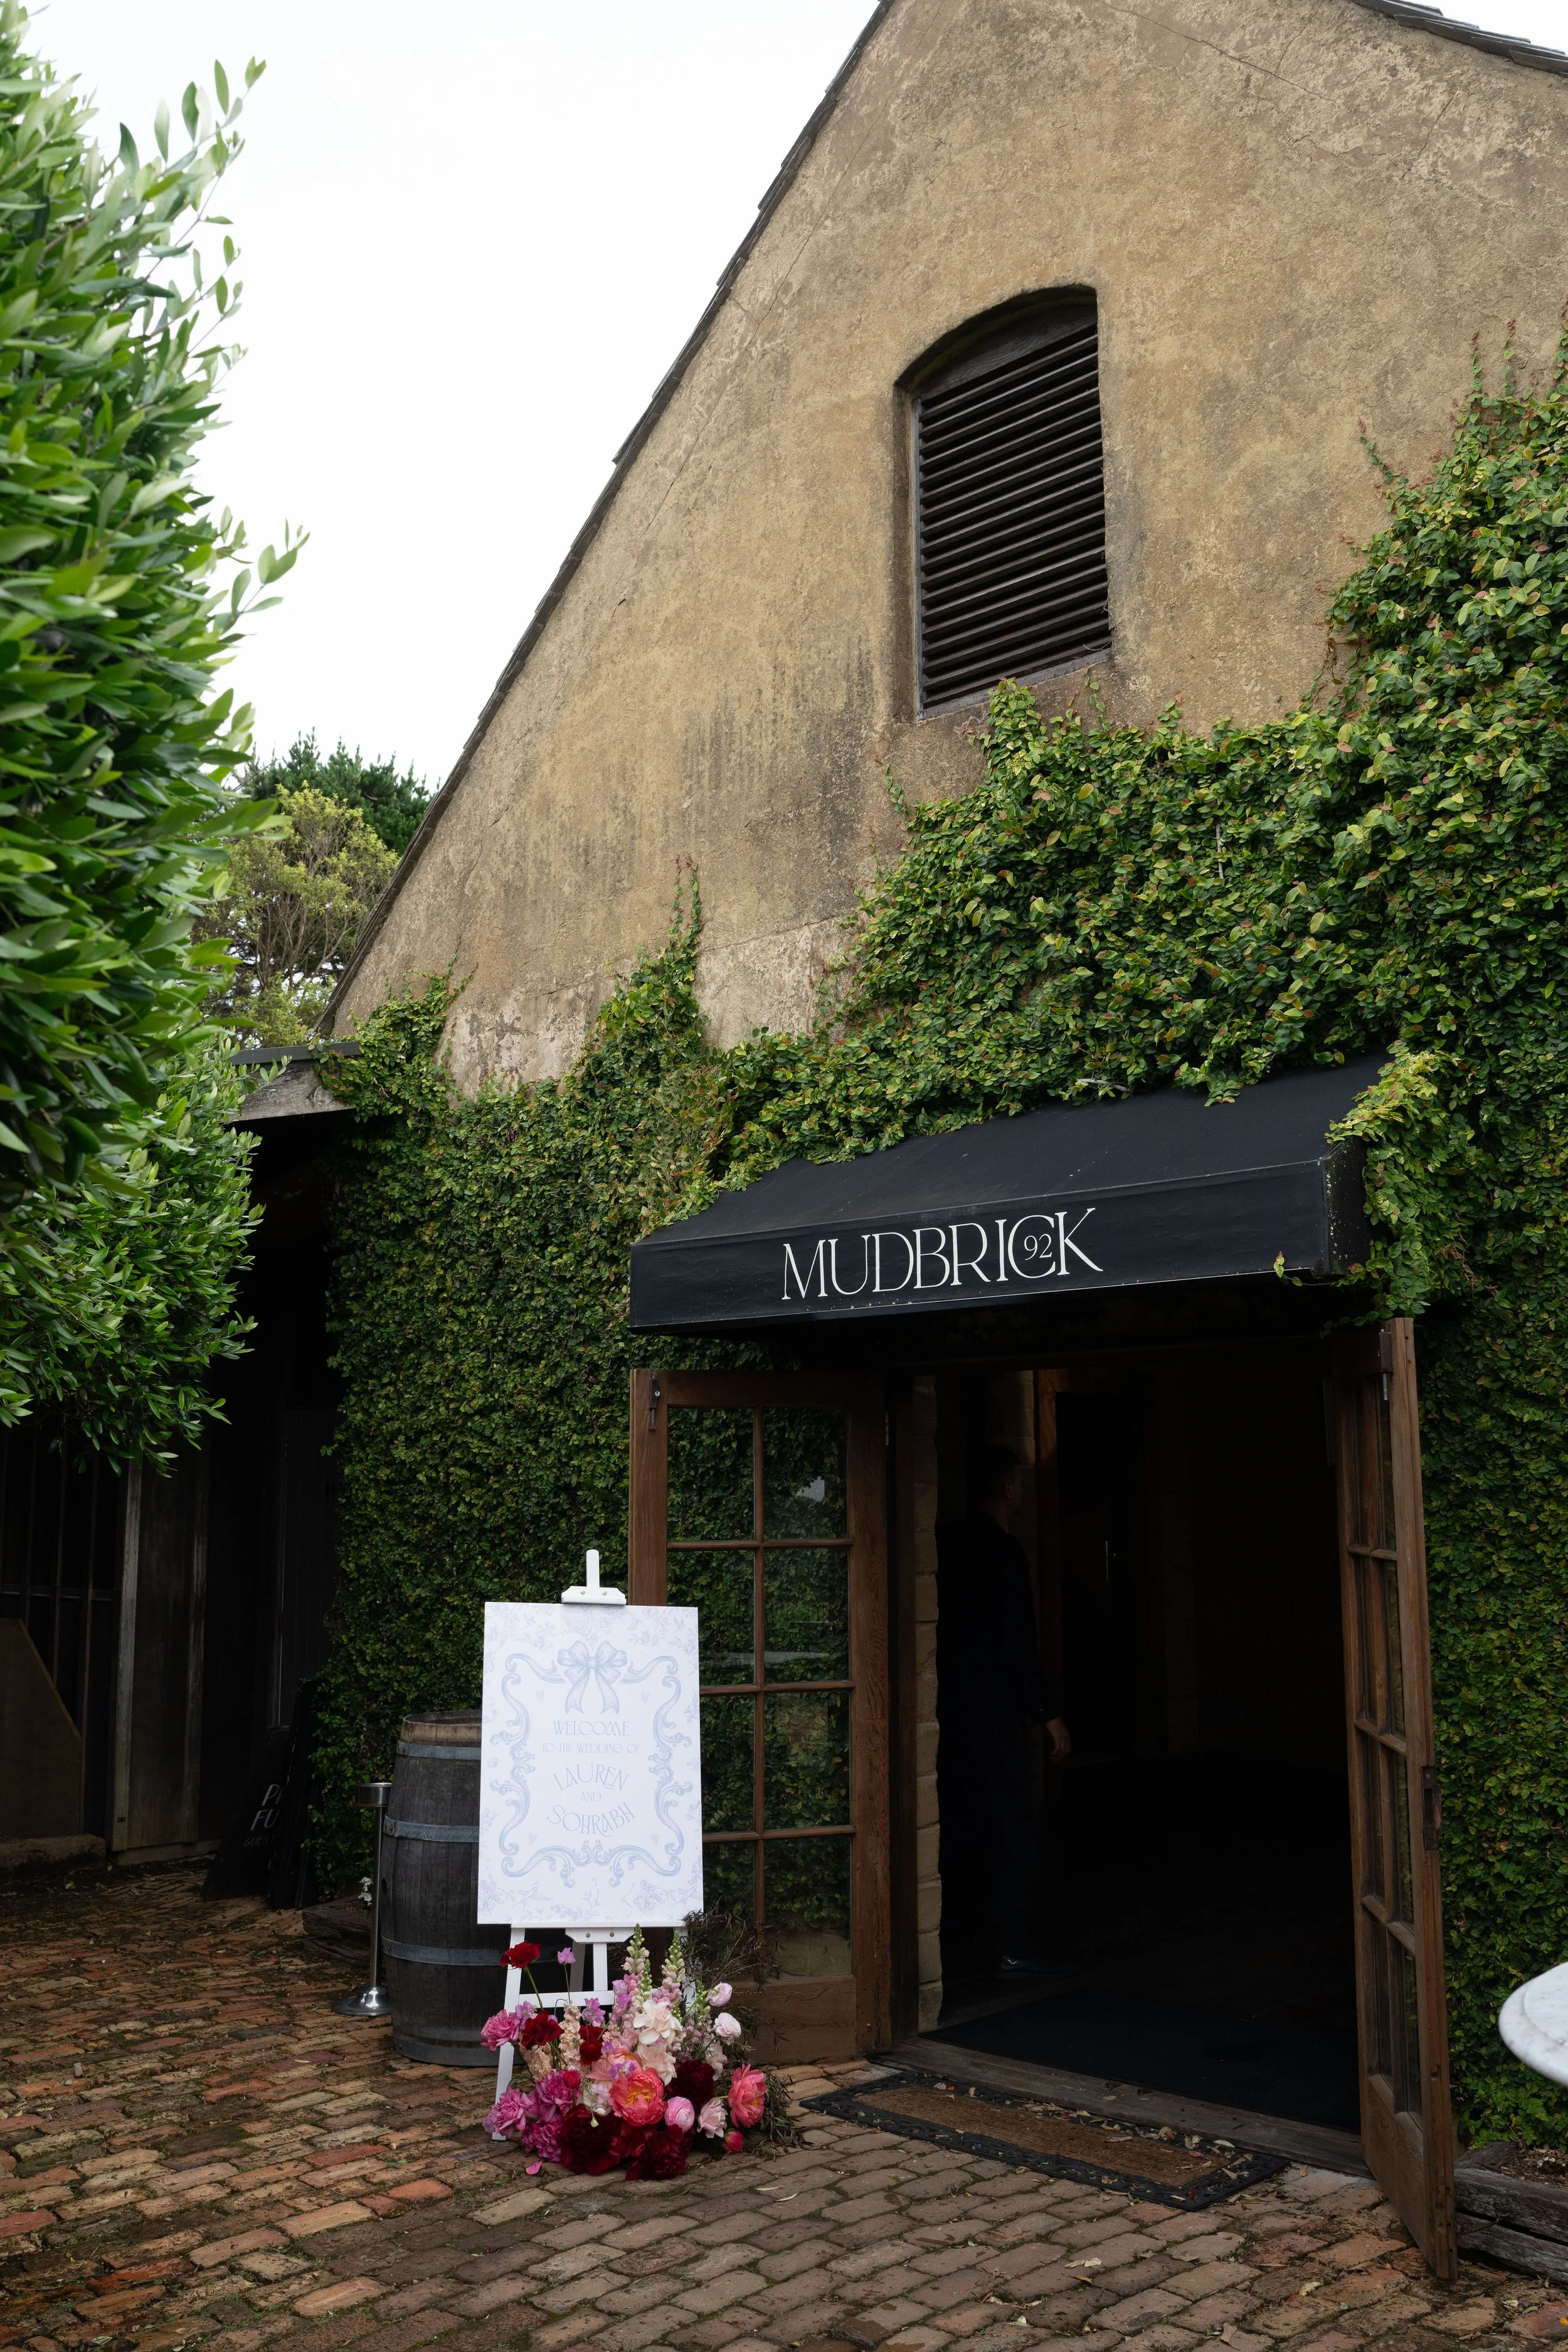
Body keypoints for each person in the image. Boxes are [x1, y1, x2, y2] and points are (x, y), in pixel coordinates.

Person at [936, 1442, 1071, 1976]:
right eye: (1018, 1482)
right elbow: (1019, 1640)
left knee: (961, 1823)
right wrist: (1047, 1711)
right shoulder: (1005, 1554)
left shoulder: (947, 1542)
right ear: (1008, 1488)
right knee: (1012, 1826)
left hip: (951, 1708)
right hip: (993, 1712)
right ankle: (1014, 1944)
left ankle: (958, 1933)